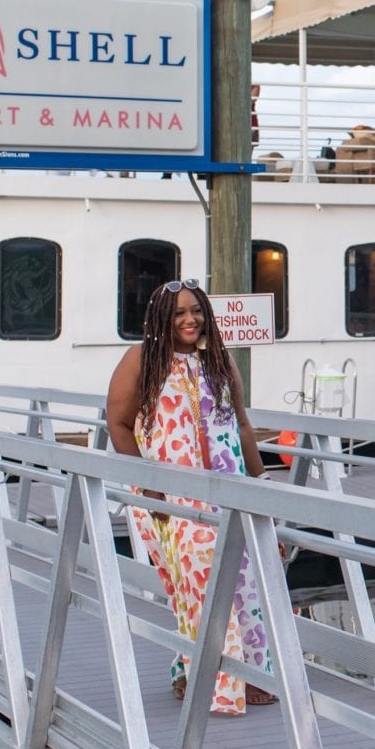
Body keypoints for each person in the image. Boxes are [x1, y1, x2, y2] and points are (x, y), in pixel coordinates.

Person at [105, 280, 273, 713]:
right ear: (161, 316)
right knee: (198, 585)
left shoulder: (218, 360)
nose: (189, 319)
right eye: (179, 312)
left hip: (230, 492)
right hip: (174, 498)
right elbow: (119, 423)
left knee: (243, 585)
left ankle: (226, 674)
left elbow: (242, 425)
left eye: (196, 311)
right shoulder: (141, 359)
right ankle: (220, 685)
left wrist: (263, 483)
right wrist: (148, 483)